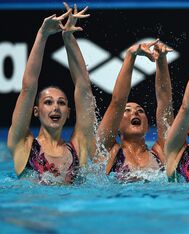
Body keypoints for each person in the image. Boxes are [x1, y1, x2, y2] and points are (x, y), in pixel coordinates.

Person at [7, 4, 95, 184]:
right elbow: (28, 88)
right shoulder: (23, 145)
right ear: (36, 111)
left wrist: (68, 37)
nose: (56, 107)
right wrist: (42, 35)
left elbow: (84, 88)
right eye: (48, 102)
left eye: (62, 103)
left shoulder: (79, 147)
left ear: (68, 112)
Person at [97, 40, 173, 181]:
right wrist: (131, 55)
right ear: (116, 125)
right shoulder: (109, 151)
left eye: (140, 111)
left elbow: (165, 103)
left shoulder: (161, 152)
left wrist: (161, 59)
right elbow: (117, 101)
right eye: (127, 110)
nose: (135, 113)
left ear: (147, 125)